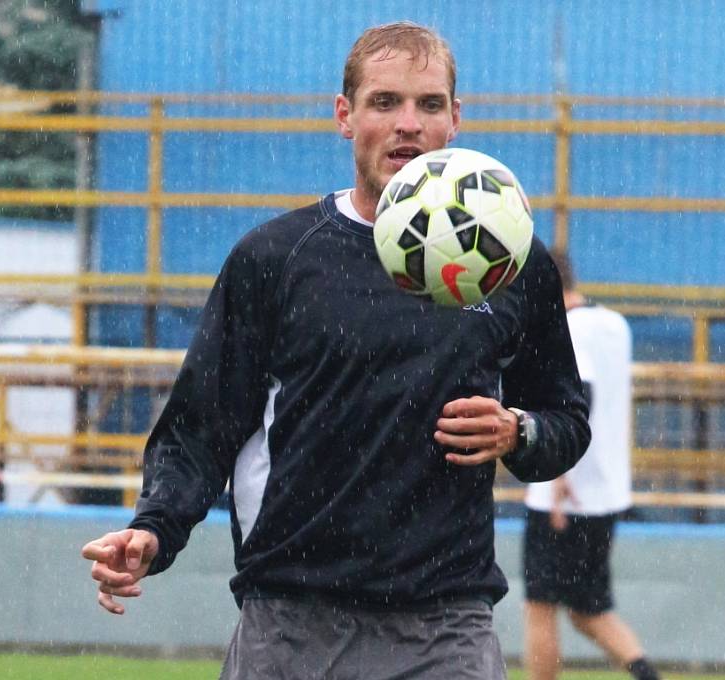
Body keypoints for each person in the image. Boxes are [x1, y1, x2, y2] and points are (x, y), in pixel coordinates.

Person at [82, 22, 590, 680]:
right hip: (291, 625)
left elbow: (566, 421)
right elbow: (201, 428)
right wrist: (154, 527)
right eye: (385, 102)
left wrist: (518, 431)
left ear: (455, 120)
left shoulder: (511, 261)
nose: (409, 124)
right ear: (344, 116)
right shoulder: (276, 258)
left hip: (445, 626)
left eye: (429, 104)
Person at [522, 249, 660, 680]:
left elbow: (580, 397)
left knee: (539, 608)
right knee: (588, 609)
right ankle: (648, 675)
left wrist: (559, 476)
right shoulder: (614, 325)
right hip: (607, 494)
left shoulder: (568, 329)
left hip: (564, 494)